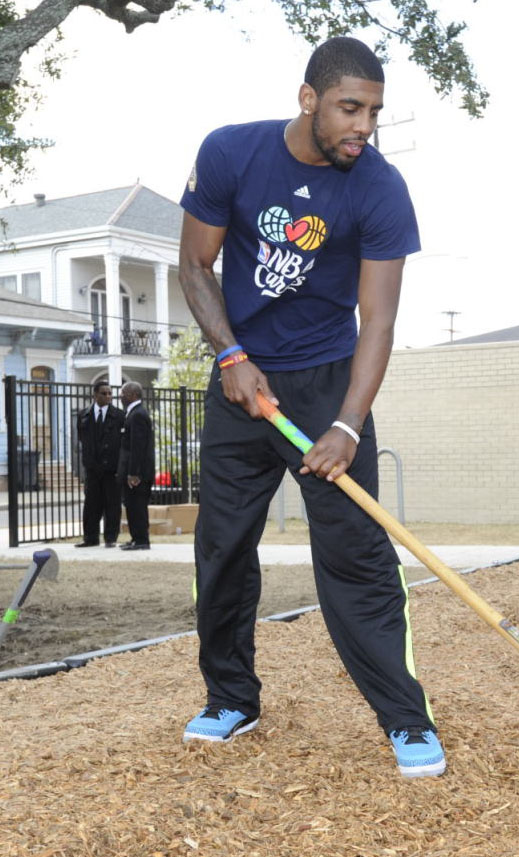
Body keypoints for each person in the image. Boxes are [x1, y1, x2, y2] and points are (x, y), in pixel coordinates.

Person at [177, 36, 445, 778]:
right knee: (222, 546)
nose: (366, 125)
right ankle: (231, 697)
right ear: (309, 99)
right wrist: (230, 355)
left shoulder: (379, 188)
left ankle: (405, 715)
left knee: (358, 557)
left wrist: (347, 423)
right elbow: (195, 264)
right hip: (242, 380)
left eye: (375, 111)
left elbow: (379, 320)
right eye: (350, 108)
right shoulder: (232, 154)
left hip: (329, 382)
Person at [75, 380, 125, 547]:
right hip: (92, 469)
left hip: (111, 469)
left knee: (112, 504)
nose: (108, 396)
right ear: (95, 395)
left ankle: (111, 538)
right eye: (104, 393)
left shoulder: (119, 415)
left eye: (110, 393)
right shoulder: (84, 415)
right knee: (91, 504)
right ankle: (90, 537)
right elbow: (83, 439)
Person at [117, 381, 155, 551]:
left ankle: (141, 540)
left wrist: (134, 473)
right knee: (132, 506)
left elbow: (137, 447)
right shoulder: (132, 413)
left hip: (138, 474)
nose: (120, 396)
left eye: (123, 393)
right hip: (133, 472)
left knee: (138, 506)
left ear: (133, 395)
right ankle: (136, 538)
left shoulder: (138, 414)